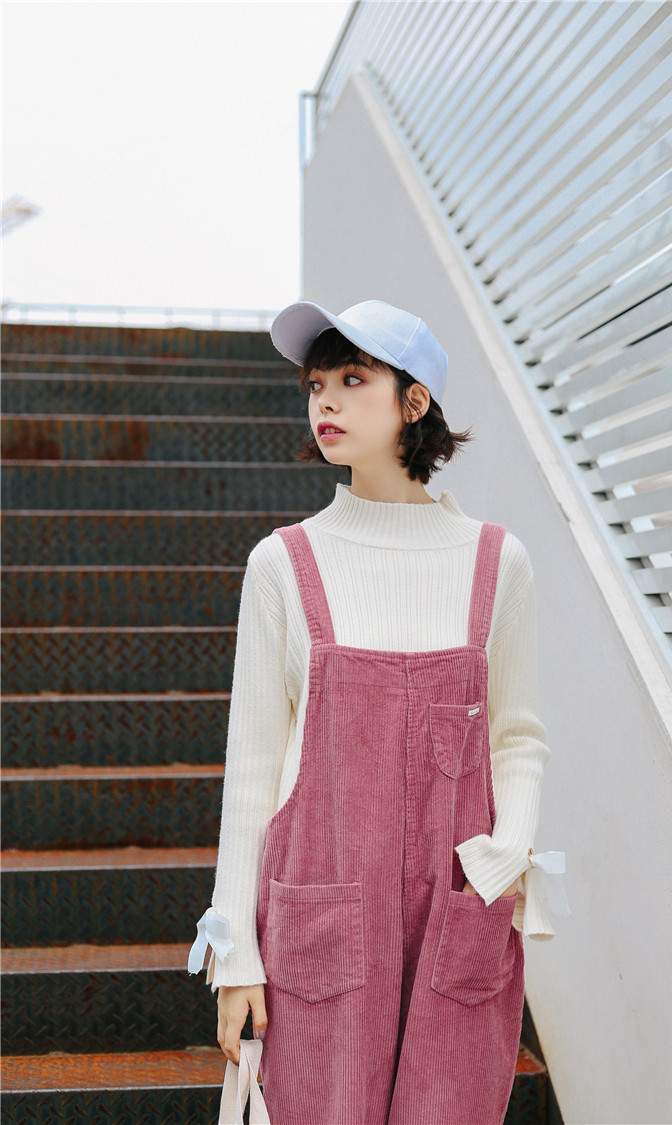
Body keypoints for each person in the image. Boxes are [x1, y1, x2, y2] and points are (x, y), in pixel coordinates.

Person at [188, 299, 565, 1124]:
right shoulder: (284, 563)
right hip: (323, 926)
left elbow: (518, 737)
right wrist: (235, 955)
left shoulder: (497, 562)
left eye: (352, 379)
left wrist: (505, 854)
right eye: (315, 384)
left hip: (456, 912)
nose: (324, 399)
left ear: (414, 400)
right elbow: (252, 771)